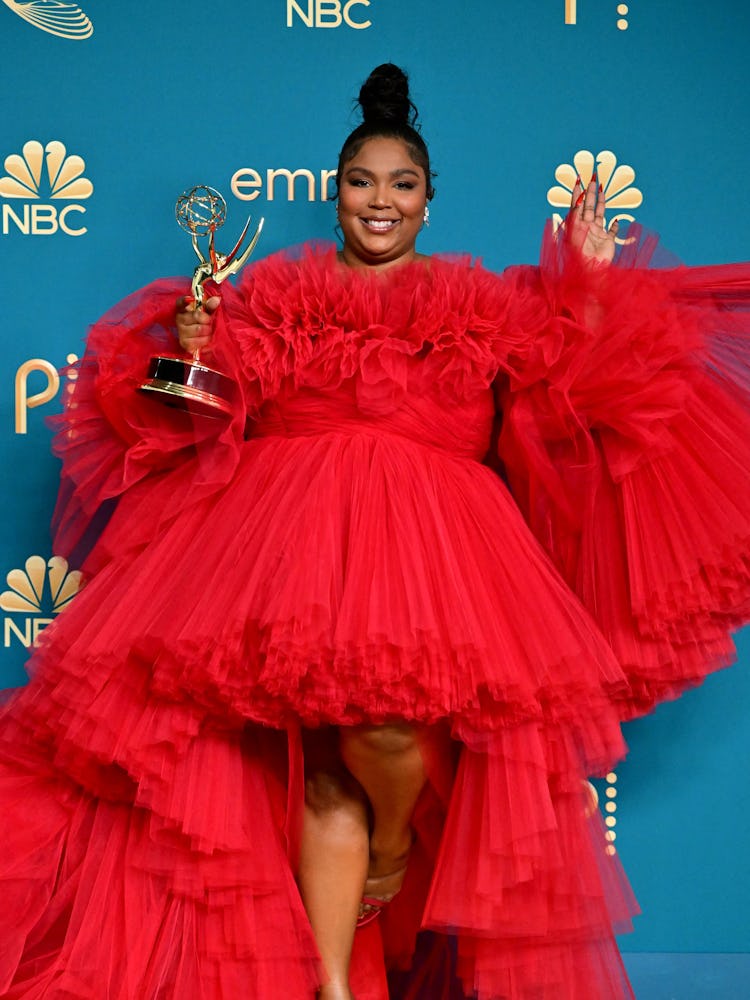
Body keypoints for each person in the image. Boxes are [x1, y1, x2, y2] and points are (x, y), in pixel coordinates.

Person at [0, 63, 749, 1000]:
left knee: (388, 735)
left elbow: (575, 393)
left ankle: (390, 857)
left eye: (402, 184)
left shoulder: (485, 304)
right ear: (336, 192)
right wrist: (187, 351)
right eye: (362, 182)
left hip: (436, 554)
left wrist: (592, 286)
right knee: (322, 767)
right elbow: (195, 415)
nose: (380, 201)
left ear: (430, 202)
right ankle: (333, 987)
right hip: (284, 552)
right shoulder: (275, 292)